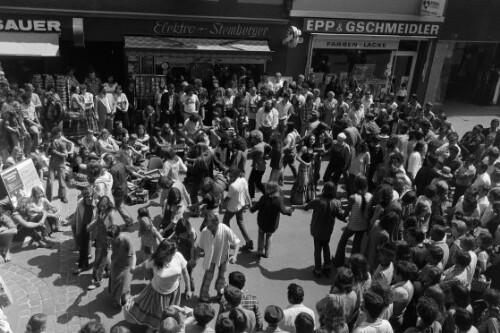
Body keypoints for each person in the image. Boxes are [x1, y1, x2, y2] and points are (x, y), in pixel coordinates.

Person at [126, 239, 192, 333]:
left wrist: (188, 289)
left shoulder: (178, 256)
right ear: (165, 254)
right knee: (158, 314)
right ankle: (154, 328)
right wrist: (133, 270)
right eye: (172, 254)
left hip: (174, 292)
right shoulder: (155, 260)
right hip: (157, 293)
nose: (174, 255)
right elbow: (142, 266)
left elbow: (185, 273)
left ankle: (158, 328)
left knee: (169, 313)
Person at [293, 182, 343, 276]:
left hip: (317, 230)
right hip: (328, 231)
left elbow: (306, 207)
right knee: (326, 246)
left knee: (317, 250)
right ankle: (327, 266)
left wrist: (294, 206)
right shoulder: (336, 203)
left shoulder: (317, 201)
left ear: (324, 190)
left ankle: (318, 270)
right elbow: (340, 216)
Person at [190, 213, 240, 303]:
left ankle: (220, 294)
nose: (208, 228)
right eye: (207, 226)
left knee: (222, 277)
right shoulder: (205, 231)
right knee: (208, 277)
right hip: (210, 258)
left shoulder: (224, 229)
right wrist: (194, 259)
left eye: (210, 226)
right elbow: (200, 247)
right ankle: (203, 296)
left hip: (223, 256)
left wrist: (235, 255)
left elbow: (236, 242)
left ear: (216, 223)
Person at [334, 175, 372, 267]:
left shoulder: (353, 197)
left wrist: (342, 216)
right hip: (363, 226)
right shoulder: (370, 196)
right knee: (356, 246)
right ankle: (352, 265)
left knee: (343, 241)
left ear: (355, 185)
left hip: (352, 226)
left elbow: (346, 214)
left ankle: (338, 261)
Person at [250, 181, 292, 258]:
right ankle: (267, 253)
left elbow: (257, 206)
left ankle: (260, 251)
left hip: (262, 222)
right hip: (272, 224)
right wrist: (289, 212)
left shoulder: (263, 198)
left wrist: (252, 209)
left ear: (267, 189)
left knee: (261, 234)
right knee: (269, 236)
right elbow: (283, 210)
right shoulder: (279, 200)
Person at [87, 195, 115, 290]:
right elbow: (97, 220)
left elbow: (113, 229)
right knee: (103, 257)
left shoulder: (110, 215)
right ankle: (110, 271)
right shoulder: (99, 212)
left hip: (105, 241)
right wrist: (91, 225)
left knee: (98, 261)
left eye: (104, 206)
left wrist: (111, 243)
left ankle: (97, 280)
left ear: (108, 206)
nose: (102, 208)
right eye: (101, 206)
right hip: (98, 239)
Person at [222, 167, 253, 251]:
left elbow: (228, 199)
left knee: (225, 222)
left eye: (231, 176)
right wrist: (250, 203)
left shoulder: (232, 186)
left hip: (232, 208)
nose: (229, 177)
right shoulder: (243, 180)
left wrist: (220, 202)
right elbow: (247, 193)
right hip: (242, 205)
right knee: (240, 223)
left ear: (235, 175)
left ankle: (232, 240)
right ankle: (249, 241)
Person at [108, 224, 135, 307]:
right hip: (116, 263)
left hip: (126, 265)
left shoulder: (126, 239)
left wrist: (133, 266)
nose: (113, 240)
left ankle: (125, 299)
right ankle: (115, 299)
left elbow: (133, 254)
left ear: (119, 233)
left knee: (125, 284)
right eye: (111, 238)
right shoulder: (111, 238)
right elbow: (109, 248)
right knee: (115, 282)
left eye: (114, 238)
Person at [103, 153, 134, 228]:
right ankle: (128, 220)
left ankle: (112, 225)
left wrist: (109, 191)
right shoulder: (121, 164)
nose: (106, 164)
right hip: (124, 188)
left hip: (118, 191)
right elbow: (129, 171)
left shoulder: (112, 170)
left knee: (114, 207)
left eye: (106, 162)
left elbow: (114, 183)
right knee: (119, 206)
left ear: (110, 160)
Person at [73, 186, 95, 275]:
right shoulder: (80, 203)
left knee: (101, 251)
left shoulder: (98, 203)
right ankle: (82, 266)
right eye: (87, 197)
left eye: (91, 196)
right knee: (83, 246)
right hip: (84, 227)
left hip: (96, 229)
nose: (89, 198)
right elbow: (78, 215)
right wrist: (78, 229)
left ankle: (107, 268)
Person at [46, 126, 68, 203]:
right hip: (52, 164)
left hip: (61, 164)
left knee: (62, 182)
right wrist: (47, 148)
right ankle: (48, 198)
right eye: (59, 134)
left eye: (60, 133)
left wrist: (56, 152)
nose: (60, 135)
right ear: (55, 134)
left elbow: (66, 155)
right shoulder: (51, 142)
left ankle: (62, 196)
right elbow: (46, 155)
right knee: (50, 181)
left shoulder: (61, 143)